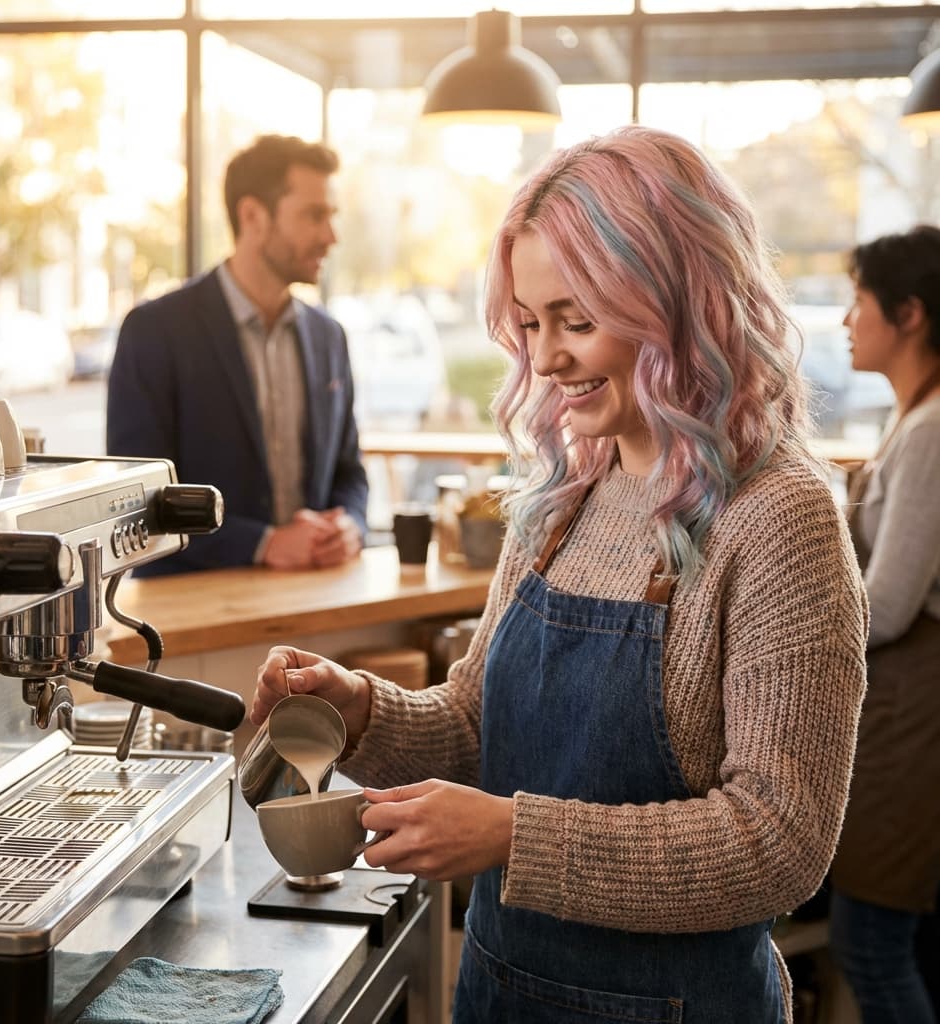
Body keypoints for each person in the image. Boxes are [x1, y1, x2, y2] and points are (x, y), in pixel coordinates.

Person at [250, 126, 868, 1023]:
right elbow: (475, 727)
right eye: (532, 324)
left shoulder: (780, 518)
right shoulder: (563, 496)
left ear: (682, 299)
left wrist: (511, 834)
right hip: (499, 989)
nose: (544, 359)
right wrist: (363, 712)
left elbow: (779, 846)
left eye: (577, 321)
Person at [107, 134, 368, 576]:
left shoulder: (329, 336)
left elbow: (350, 472)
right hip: (194, 613)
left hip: (315, 600)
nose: (331, 236)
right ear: (253, 216)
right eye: (314, 215)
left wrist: (351, 525)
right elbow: (135, 503)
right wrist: (262, 544)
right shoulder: (154, 331)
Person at [827, 225, 940, 1024]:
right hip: (901, 710)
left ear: (908, 313)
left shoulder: (933, 431)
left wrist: (795, 629)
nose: (844, 320)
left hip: (914, 714)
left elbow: (891, 604)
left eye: (857, 301)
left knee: (871, 939)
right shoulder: (916, 418)